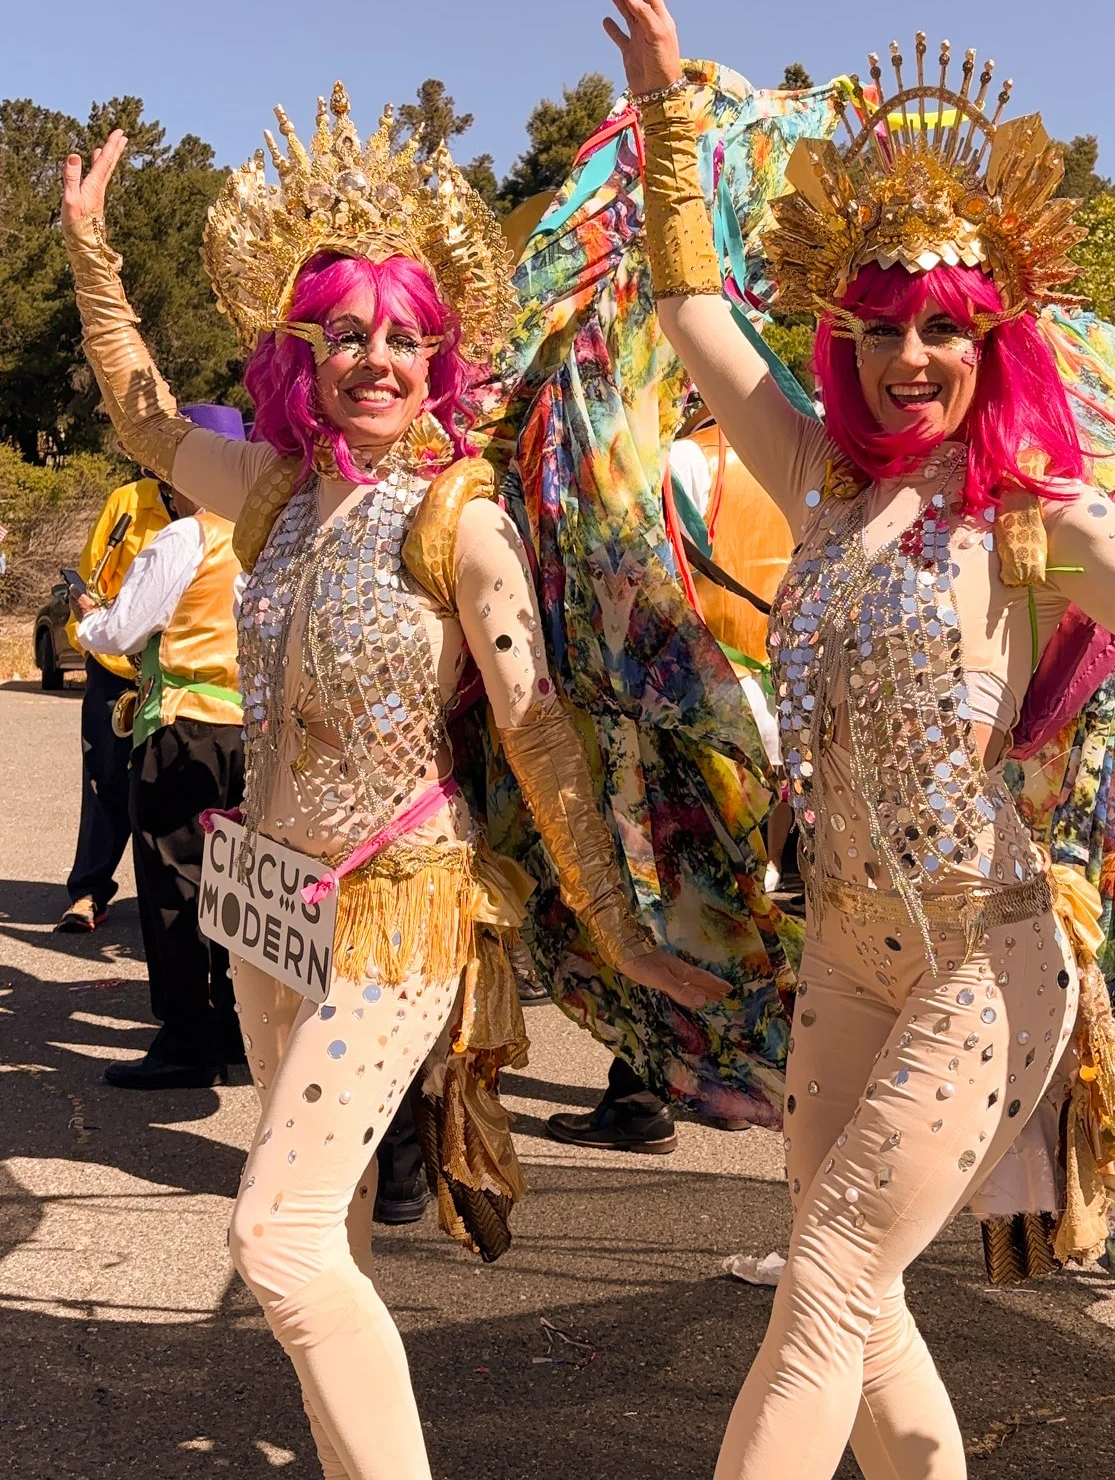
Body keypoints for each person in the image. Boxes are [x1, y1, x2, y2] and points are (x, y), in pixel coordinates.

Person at [61, 85, 722, 1478]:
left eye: (405, 337)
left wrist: (611, 927)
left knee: (272, 1239)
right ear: (301, 350)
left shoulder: (457, 514)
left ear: (440, 358)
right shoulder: (269, 493)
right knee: (334, 1225)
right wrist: (91, 257)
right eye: (348, 333)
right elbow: (136, 417)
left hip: (395, 908)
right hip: (267, 901)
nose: (376, 358)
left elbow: (538, 731)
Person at [604, 0, 1115, 1477]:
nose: (913, 357)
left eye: (946, 330)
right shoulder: (819, 479)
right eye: (885, 327)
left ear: (991, 342)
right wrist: (667, 108)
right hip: (841, 952)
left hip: (986, 957)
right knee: (859, 1289)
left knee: (829, 1283)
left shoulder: (1033, 523)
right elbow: (690, 308)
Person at [71, 404, 247, 1088]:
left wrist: (91, 623)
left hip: (184, 727)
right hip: (255, 731)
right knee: (241, 888)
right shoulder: (274, 536)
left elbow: (121, 633)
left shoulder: (183, 539)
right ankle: (238, 1028)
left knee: (175, 884)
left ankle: (186, 1039)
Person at [56, 476, 168, 932]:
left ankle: (168, 899)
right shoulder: (128, 500)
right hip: (119, 668)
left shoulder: (227, 506)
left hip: (184, 674)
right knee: (105, 780)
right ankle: (89, 890)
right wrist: (95, 645)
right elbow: (92, 575)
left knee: (172, 786)